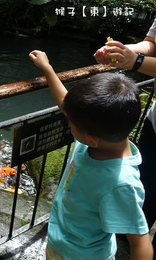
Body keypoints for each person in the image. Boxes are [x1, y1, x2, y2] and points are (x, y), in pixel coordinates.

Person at [29, 50, 153, 260]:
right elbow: (66, 103)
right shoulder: (97, 141)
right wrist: (47, 68)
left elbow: (140, 241)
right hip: (60, 243)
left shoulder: (121, 184)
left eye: (71, 124)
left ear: (92, 138)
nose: (69, 122)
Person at [94, 21, 156, 254]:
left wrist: (135, 61)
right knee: (146, 188)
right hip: (155, 124)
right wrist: (122, 51)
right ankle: (126, 241)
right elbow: (150, 45)